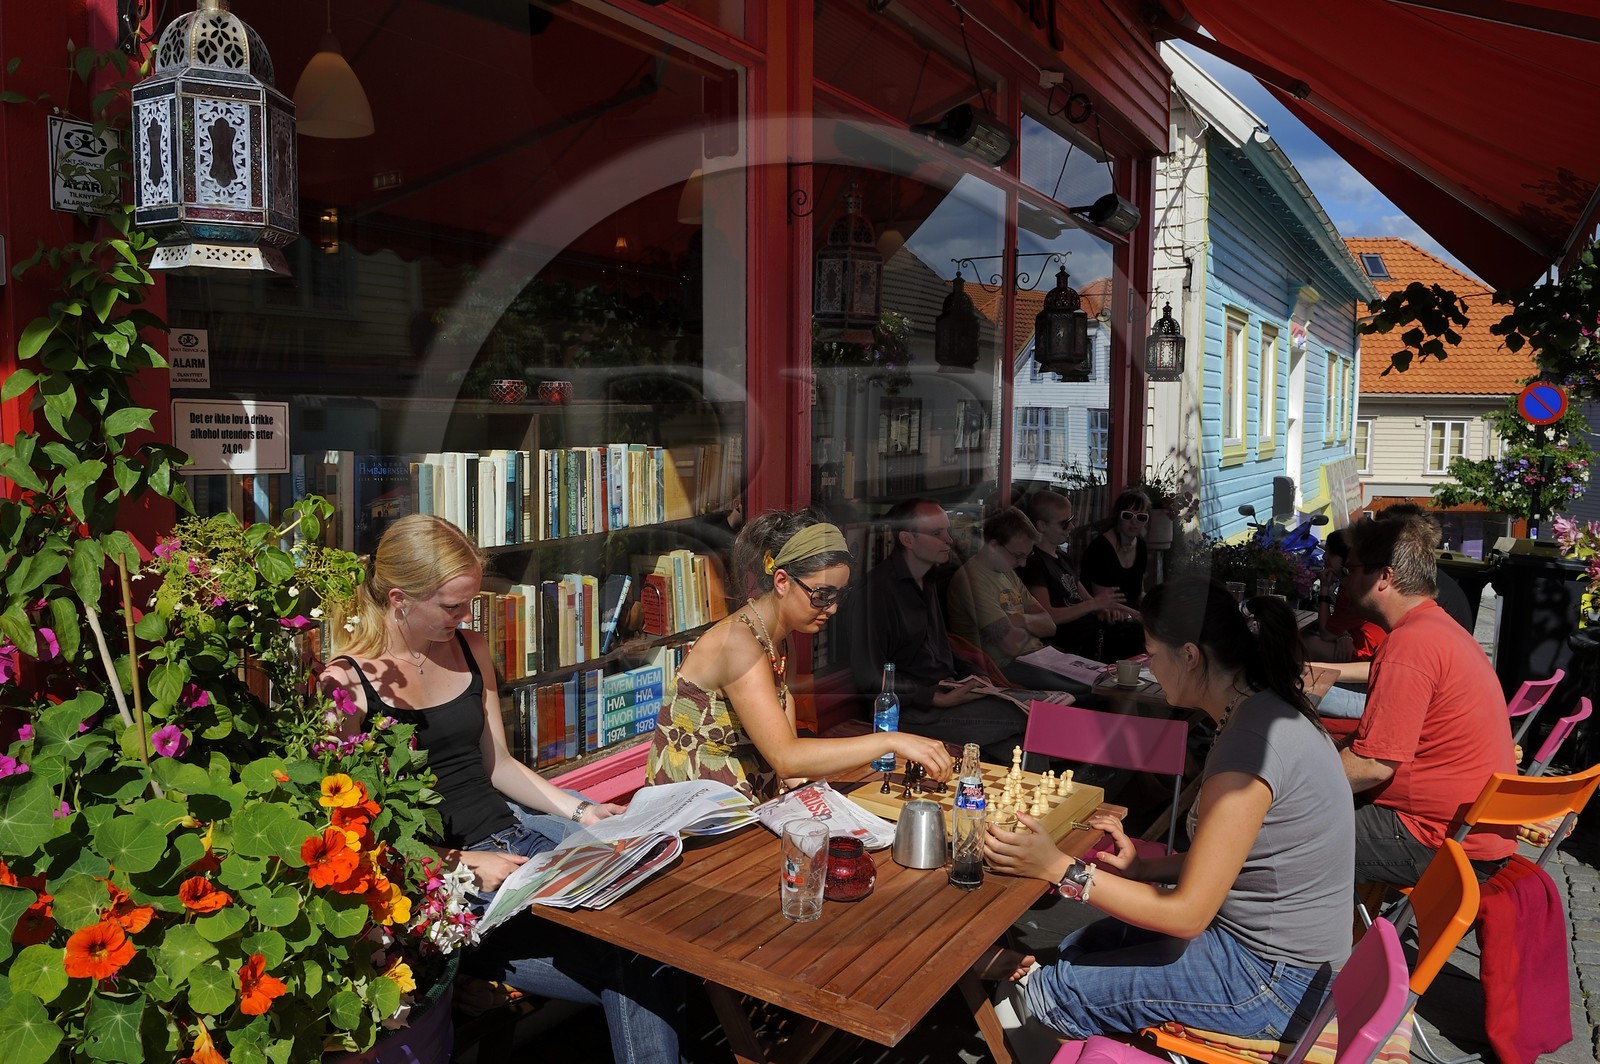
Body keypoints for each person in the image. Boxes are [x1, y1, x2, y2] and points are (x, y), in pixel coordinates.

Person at [321, 514, 686, 1064]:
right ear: (399, 599)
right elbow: (352, 835)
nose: (465, 617)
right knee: (637, 965)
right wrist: (459, 862)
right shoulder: (345, 685)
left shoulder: (469, 647)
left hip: (519, 846)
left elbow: (498, 765)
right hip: (449, 891)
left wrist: (583, 809)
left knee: (657, 935)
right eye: (452, 605)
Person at [983, 576, 1353, 1044]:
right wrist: (1145, 867)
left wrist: (1058, 868)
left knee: (1056, 989)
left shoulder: (1251, 747)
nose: (1151, 668)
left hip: (1276, 983)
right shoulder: (1258, 710)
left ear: (1190, 655)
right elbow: (1247, 857)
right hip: (1269, 956)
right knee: (1082, 946)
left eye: (1152, 653)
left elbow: (1187, 915)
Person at [648, 509, 953, 800]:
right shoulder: (739, 644)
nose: (831, 608)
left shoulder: (778, 639)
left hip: (739, 805)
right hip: (692, 820)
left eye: (839, 595)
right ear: (782, 581)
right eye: (821, 595)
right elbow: (786, 758)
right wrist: (892, 740)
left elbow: (790, 754)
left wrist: (808, 792)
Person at [1337, 513, 1515, 884]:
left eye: (1350, 569)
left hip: (1441, 841)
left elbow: (1372, 766)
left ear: (1384, 577)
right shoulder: (1435, 627)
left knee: (1270, 832)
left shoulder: (1409, 644)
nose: (1345, 580)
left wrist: (1285, 784)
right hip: (1462, 833)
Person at [842, 498, 1066, 765]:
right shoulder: (876, 593)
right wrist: (935, 698)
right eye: (937, 533)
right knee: (1034, 716)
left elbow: (940, 647)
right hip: (909, 713)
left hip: (947, 692)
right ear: (907, 539)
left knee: (1023, 749)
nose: (949, 539)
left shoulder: (927, 580)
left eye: (947, 530)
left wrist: (976, 674)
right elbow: (870, 675)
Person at [946, 506, 1097, 693]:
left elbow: (1050, 625)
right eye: (1018, 555)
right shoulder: (972, 579)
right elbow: (1011, 645)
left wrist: (1021, 620)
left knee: (1101, 680)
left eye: (1028, 556)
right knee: (1085, 693)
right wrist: (1033, 626)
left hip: (1037, 657)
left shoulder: (1006, 571)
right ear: (993, 546)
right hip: (1002, 667)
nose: (1023, 564)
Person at [1020, 490, 1138, 660]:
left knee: (1137, 631)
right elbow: (1047, 616)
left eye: (1072, 520)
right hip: (1070, 643)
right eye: (1064, 523)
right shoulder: (1034, 562)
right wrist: (1094, 606)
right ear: (1041, 526)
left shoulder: (1063, 557)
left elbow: (1089, 600)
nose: (1072, 527)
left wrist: (1132, 614)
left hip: (1091, 633)